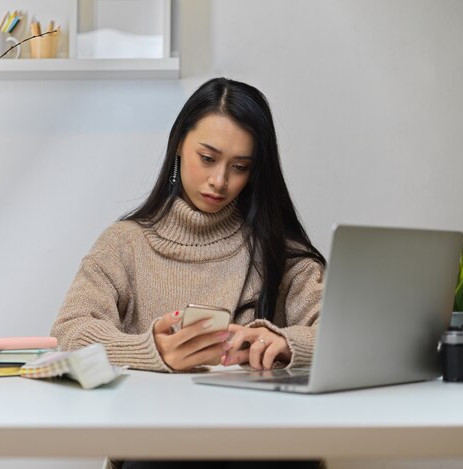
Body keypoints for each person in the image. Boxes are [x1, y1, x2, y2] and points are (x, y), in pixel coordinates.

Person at [51, 78, 326, 469]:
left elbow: (341, 337)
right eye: (208, 158)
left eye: (240, 167)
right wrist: (151, 352)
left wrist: (287, 342)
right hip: (158, 446)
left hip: (259, 445)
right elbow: (67, 334)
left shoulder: (280, 250)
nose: (220, 181)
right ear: (179, 143)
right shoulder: (125, 244)